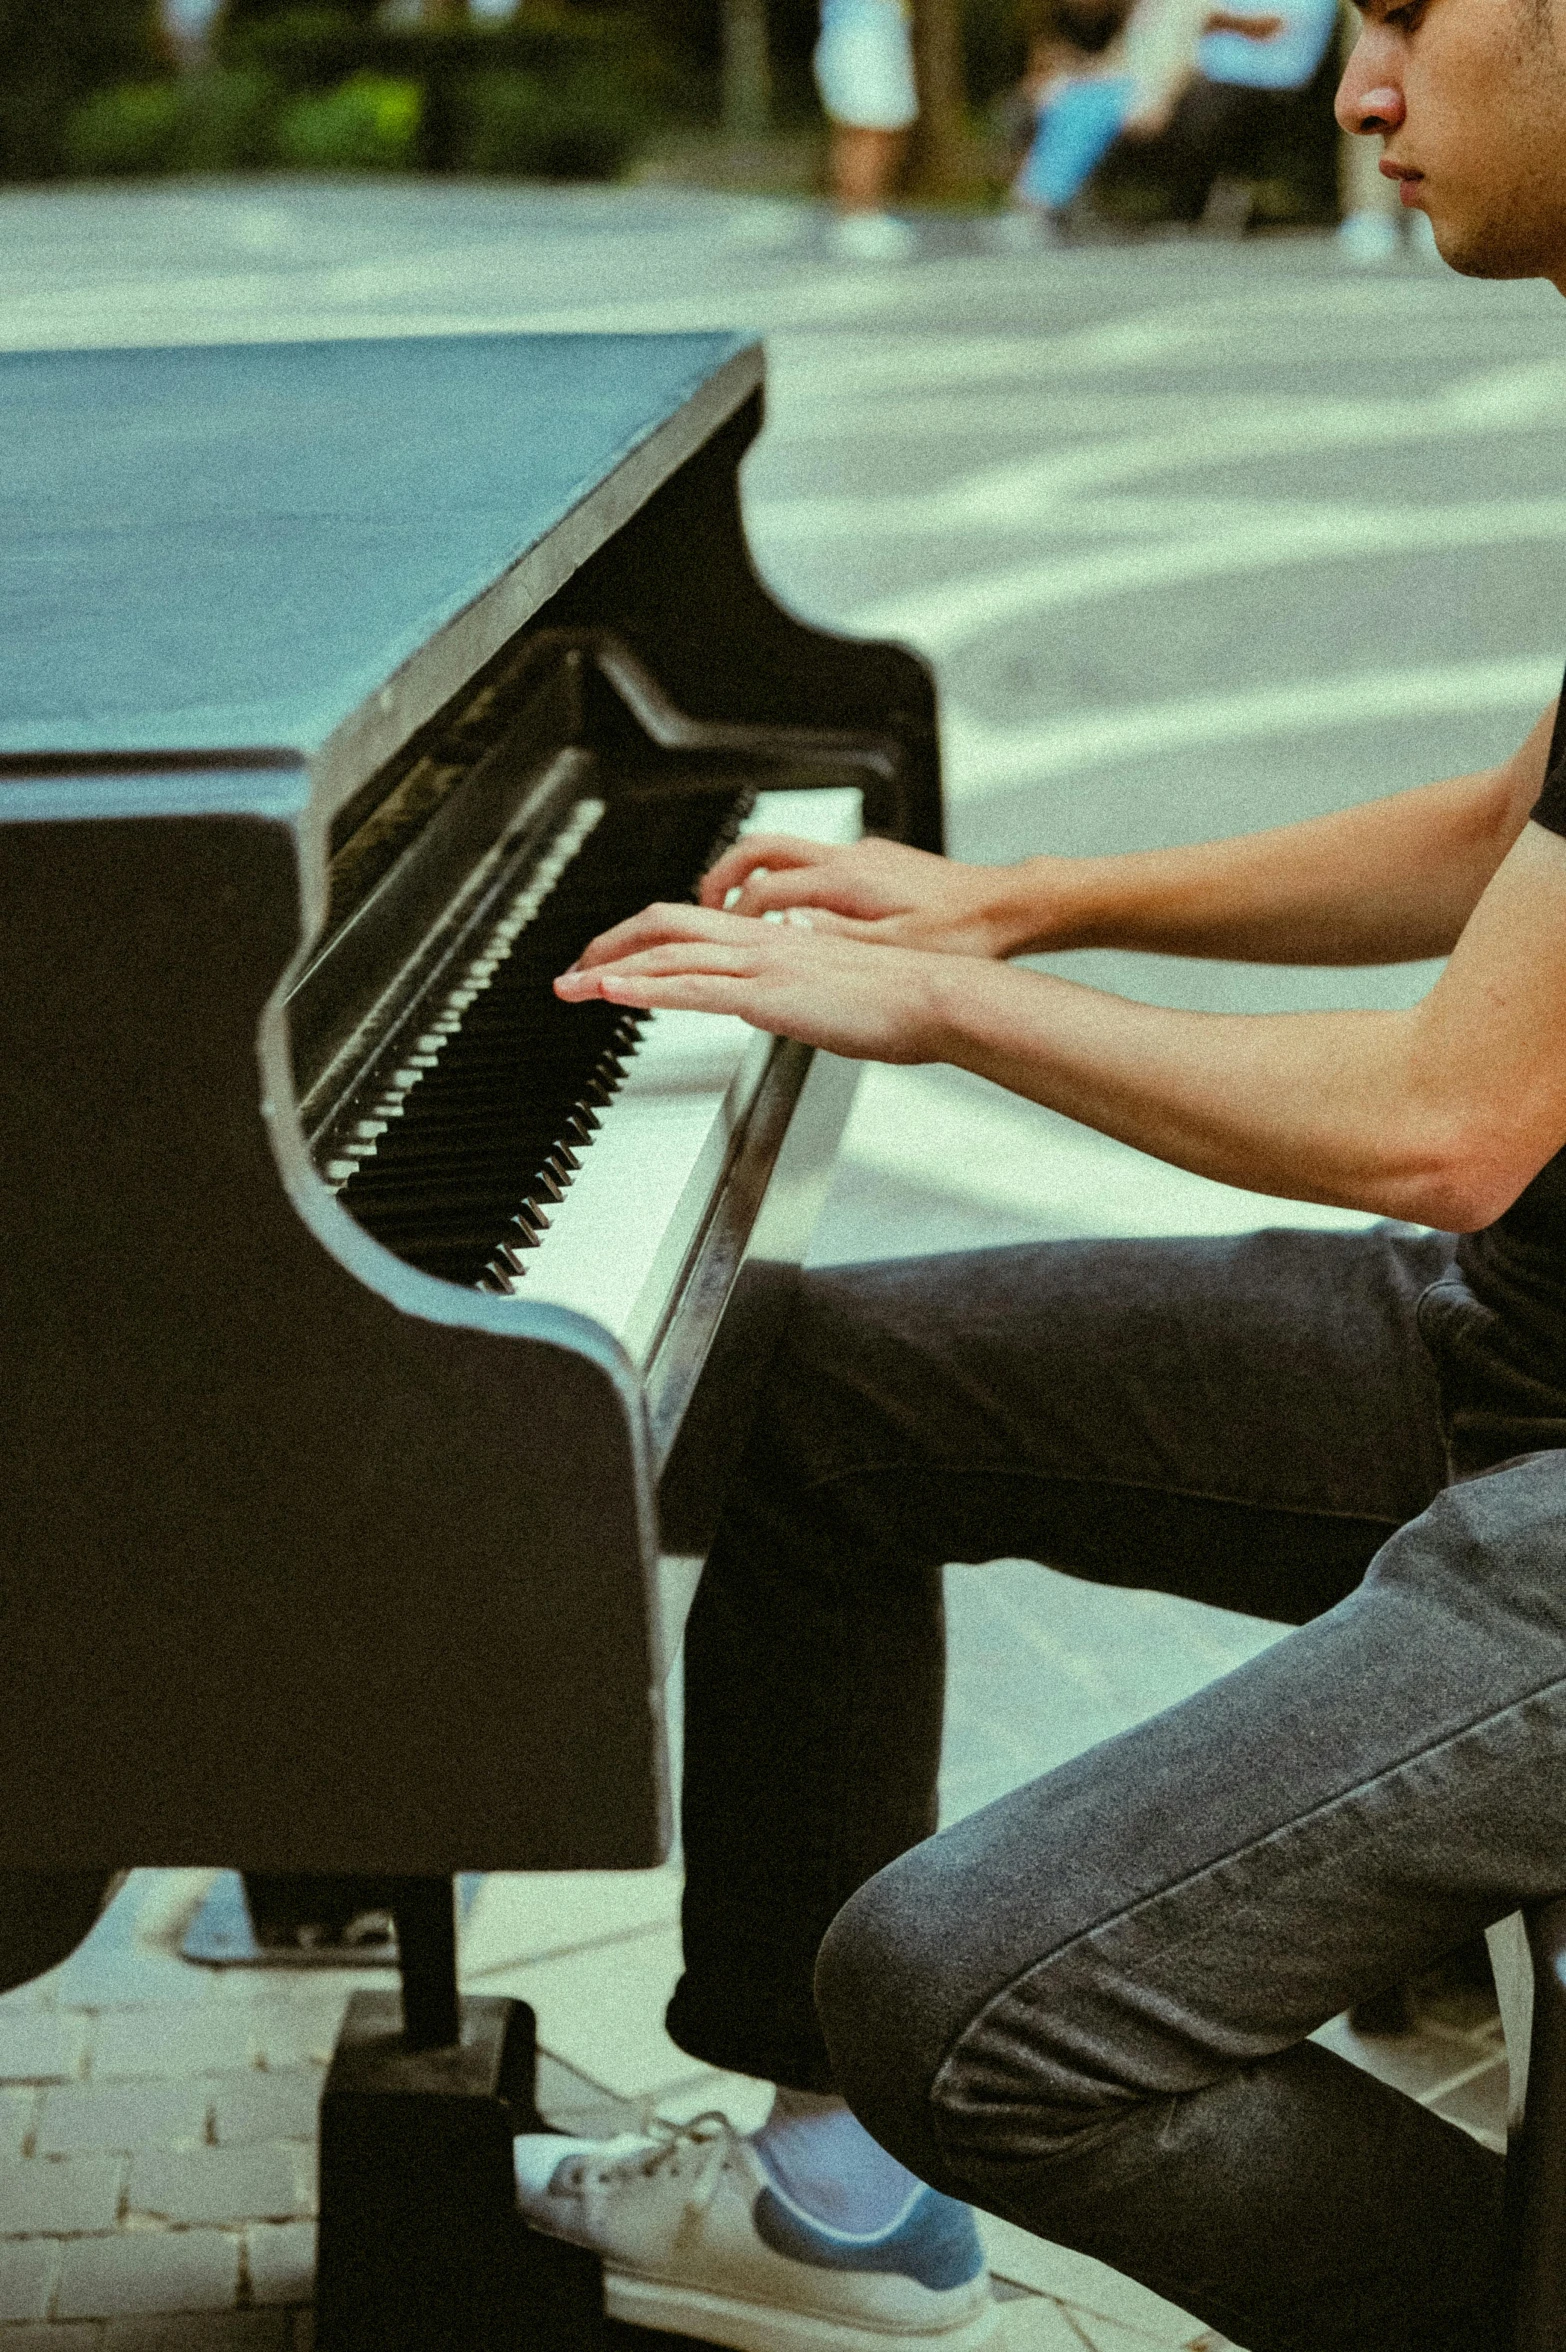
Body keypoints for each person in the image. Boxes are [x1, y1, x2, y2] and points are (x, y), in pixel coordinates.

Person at [515, 3, 1566, 2345]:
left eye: (1405, 14)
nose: (1350, 87)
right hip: (1527, 1347)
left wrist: (950, 1007)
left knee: (963, 2000)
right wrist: (1015, 902)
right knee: (812, 1390)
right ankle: (816, 2213)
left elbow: (1448, 1120)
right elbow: (1496, 837)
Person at [813, 0, 922, 262]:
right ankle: (857, 221)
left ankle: (865, 215)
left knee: (881, 131)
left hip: (879, 34)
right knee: (867, 131)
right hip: (862, 35)